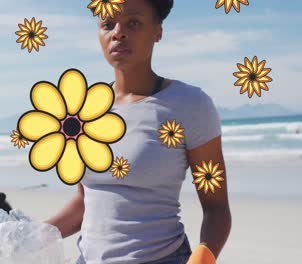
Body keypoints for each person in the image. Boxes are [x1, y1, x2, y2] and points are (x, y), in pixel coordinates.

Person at [45, 0, 231, 263]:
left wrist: (203, 258)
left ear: (158, 31)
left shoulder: (189, 105)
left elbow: (216, 208)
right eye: (108, 24)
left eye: (133, 23)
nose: (118, 33)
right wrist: (35, 233)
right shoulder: (82, 111)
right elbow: (87, 203)